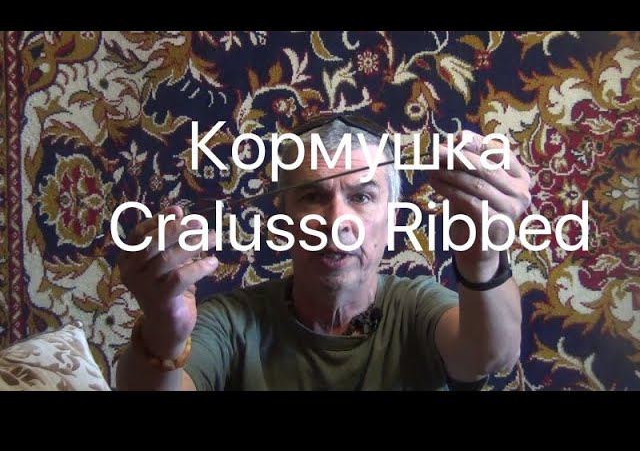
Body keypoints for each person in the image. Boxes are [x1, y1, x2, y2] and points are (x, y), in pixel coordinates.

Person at [115, 113, 532, 390]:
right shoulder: (233, 322)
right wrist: (164, 333)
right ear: (284, 217)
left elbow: (490, 354)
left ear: (392, 217)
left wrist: (482, 257)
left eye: (362, 197)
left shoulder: (417, 309)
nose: (336, 221)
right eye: (313, 196)